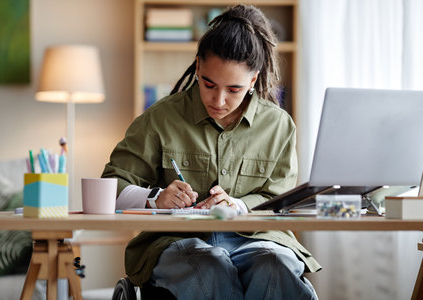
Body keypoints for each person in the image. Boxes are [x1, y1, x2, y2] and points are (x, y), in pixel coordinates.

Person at [102, 4, 321, 299]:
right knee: (209, 264)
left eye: (233, 89)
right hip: (176, 243)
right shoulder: (160, 118)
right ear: (198, 65)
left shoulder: (278, 124)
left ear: (253, 80)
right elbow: (111, 187)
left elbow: (276, 199)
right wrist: (157, 197)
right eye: (208, 84)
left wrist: (239, 206)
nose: (218, 100)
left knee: (275, 265)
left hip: (258, 239)